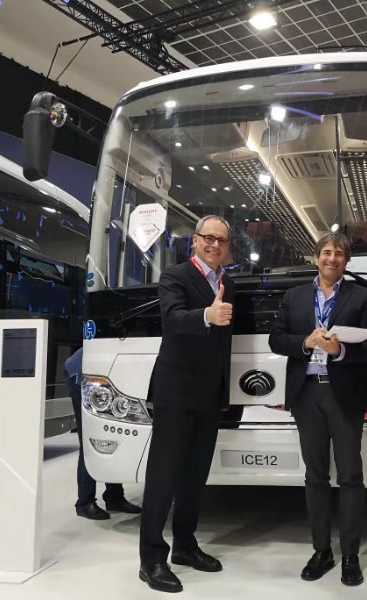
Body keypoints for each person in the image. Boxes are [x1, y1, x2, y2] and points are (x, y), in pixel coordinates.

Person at [268, 232, 367, 587]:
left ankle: (350, 555)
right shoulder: (295, 296)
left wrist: (339, 351)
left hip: (345, 394)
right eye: (327, 252)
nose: (333, 258)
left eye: (340, 254)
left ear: (347, 261)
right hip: (307, 395)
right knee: (315, 475)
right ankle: (321, 551)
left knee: (350, 476)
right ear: (317, 257)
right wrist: (306, 341)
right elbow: (276, 339)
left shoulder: (363, 297)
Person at [138, 215, 235, 593]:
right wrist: (207, 315)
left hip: (209, 395)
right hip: (176, 393)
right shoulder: (175, 277)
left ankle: (185, 545)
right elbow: (173, 319)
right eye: (208, 238)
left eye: (221, 240)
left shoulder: (227, 283)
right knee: (163, 477)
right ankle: (151, 560)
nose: (214, 245)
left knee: (195, 476)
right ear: (194, 240)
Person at [64, 347, 141, 519]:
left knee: (113, 437)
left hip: (105, 377)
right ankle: (84, 503)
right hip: (81, 375)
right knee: (89, 438)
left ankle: (114, 497)